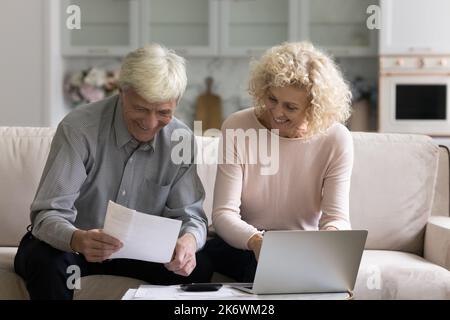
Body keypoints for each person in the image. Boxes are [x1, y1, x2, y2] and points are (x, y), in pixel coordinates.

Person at [14, 44, 212, 300]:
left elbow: (192, 217)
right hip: (75, 248)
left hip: (143, 255)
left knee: (201, 266)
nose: (150, 123)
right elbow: (47, 214)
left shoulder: (180, 140)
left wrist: (188, 242)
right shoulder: (79, 129)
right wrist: (77, 238)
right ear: (121, 91)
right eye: (140, 108)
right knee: (46, 261)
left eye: (163, 112)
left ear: (176, 103)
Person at [204, 42, 354, 282]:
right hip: (244, 244)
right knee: (260, 270)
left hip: (300, 246)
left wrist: (330, 240)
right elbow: (223, 214)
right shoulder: (237, 126)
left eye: (291, 107)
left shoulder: (336, 139)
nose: (276, 112)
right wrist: (256, 241)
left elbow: (336, 218)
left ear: (315, 109)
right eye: (272, 99)